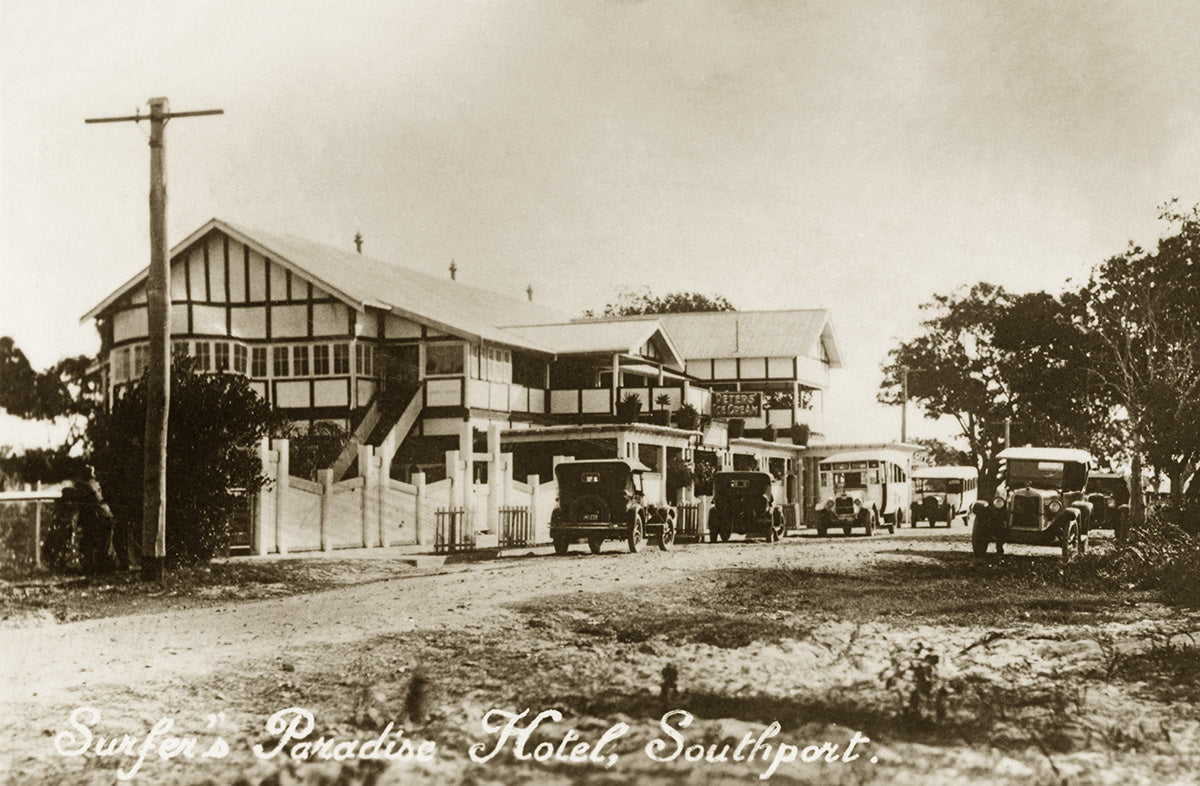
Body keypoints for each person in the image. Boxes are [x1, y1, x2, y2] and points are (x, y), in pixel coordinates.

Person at [66, 465, 117, 575]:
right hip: (104, 516)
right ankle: (102, 569)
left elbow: (86, 505)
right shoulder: (94, 484)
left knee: (90, 544)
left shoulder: (85, 487)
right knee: (103, 544)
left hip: (98, 518)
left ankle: (94, 569)